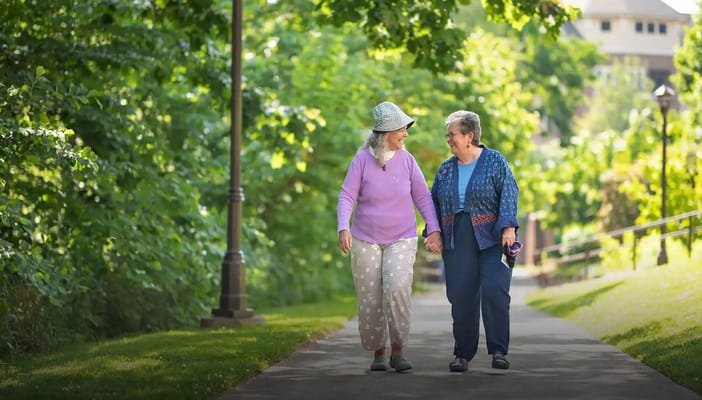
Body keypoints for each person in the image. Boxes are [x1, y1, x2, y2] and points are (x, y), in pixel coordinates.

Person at [337, 101, 443, 372]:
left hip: (401, 238)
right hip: (365, 238)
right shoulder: (361, 160)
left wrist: (434, 228)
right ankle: (378, 353)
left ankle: (398, 350)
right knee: (370, 296)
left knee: (396, 289)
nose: (406, 133)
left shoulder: (407, 160)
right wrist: (343, 227)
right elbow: (347, 195)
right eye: (401, 129)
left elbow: (422, 196)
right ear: (386, 133)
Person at [426, 110, 520, 373]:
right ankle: (462, 354)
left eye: (452, 134)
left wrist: (509, 227)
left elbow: (510, 192)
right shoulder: (445, 169)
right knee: (461, 296)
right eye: (448, 135)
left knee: (495, 291)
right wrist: (433, 232)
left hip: (494, 237)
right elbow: (432, 202)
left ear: (469, 136)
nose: (448, 139)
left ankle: (499, 350)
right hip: (457, 238)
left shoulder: (494, 161)